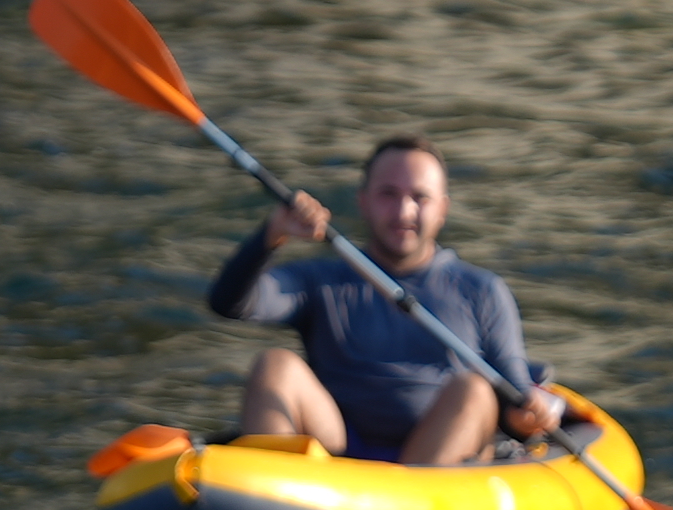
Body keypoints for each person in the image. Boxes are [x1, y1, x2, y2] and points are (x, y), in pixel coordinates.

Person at [207, 133, 567, 469]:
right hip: (336, 449)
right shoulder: (321, 280)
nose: (404, 212)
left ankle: (413, 504)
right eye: (388, 194)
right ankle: (270, 490)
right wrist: (271, 236)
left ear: (442, 208)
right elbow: (232, 303)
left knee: (474, 390)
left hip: (432, 463)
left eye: (420, 197)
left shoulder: (482, 290)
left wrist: (527, 414)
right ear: (363, 201)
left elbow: (515, 391)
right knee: (275, 365)